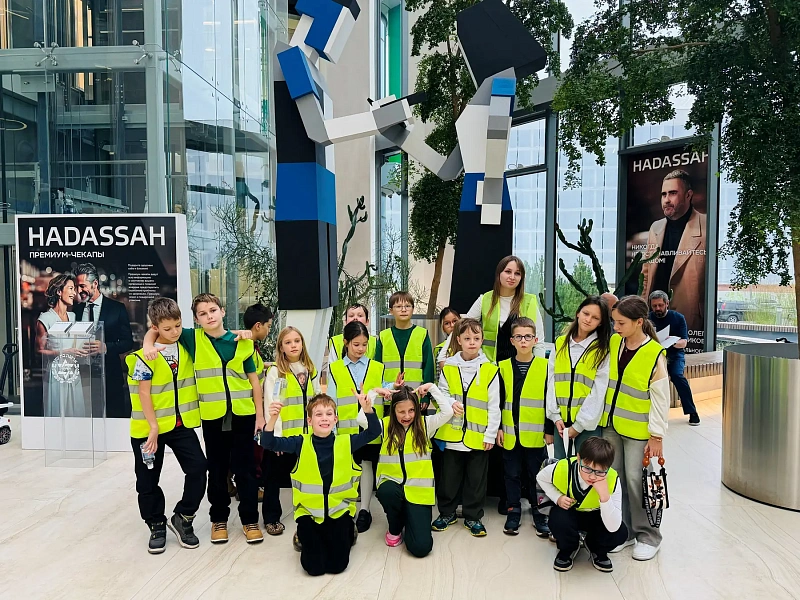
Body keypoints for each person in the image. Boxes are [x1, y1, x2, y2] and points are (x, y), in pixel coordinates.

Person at [143, 293, 265, 545]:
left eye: (212, 310)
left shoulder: (243, 342)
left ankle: (250, 520)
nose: (209, 316)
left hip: (244, 415)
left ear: (222, 311)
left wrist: (260, 416)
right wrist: (147, 345)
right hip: (212, 417)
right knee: (216, 470)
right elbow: (159, 328)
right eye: (202, 314)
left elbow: (254, 382)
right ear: (196, 320)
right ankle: (218, 519)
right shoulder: (193, 338)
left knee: (246, 470)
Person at [261, 393, 381, 576]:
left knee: (337, 566)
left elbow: (374, 432)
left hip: (339, 512)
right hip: (309, 514)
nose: (324, 418)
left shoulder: (347, 442)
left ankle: (349, 530)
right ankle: (303, 534)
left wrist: (367, 410)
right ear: (309, 420)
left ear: (335, 419)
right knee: (314, 568)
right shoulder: (300, 443)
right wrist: (273, 419)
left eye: (329, 414)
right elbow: (268, 443)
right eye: (318, 414)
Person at [126, 298, 207, 554]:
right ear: (155, 327)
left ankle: (183, 517)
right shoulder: (144, 356)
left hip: (180, 424)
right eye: (168, 328)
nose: (174, 332)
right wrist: (153, 428)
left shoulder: (186, 347)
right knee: (147, 480)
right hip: (148, 429)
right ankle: (156, 524)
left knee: (198, 468)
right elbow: (144, 393)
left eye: (178, 326)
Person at [600, 296, 670, 561]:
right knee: (615, 479)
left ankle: (649, 536)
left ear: (639, 322)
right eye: (614, 322)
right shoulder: (615, 342)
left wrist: (657, 436)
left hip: (639, 430)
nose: (615, 327)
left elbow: (661, 399)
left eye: (621, 323)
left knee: (637, 481)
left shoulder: (654, 354)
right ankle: (625, 532)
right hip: (612, 424)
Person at [432, 318, 500, 537]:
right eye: (467, 338)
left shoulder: (490, 369)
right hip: (452, 434)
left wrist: (490, 434)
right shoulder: (449, 366)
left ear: (482, 340)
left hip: (479, 436)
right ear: (458, 340)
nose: (472, 342)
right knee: (449, 478)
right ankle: (447, 513)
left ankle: (473, 517)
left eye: (476, 338)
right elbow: (441, 393)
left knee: (476, 480)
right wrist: (450, 402)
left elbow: (494, 405)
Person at [370, 384, 453, 557]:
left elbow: (447, 412)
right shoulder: (384, 425)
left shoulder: (425, 424)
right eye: (401, 411)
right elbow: (361, 420)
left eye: (411, 410)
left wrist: (432, 388)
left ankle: (410, 517)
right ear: (393, 411)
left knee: (421, 548)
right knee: (387, 491)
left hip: (418, 493)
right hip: (392, 486)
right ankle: (395, 527)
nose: (407, 416)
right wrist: (375, 392)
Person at [327, 320, 386, 533]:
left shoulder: (377, 367)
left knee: (368, 464)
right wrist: (331, 429)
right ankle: (347, 507)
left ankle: (365, 510)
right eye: (356, 344)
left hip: (369, 426)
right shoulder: (334, 369)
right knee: (348, 468)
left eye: (364, 344)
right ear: (345, 343)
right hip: (345, 427)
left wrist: (392, 387)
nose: (361, 349)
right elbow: (331, 400)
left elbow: (382, 389)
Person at [263, 326, 319, 544]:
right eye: (288, 342)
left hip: (306, 437)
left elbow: (316, 400)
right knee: (273, 479)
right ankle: (271, 518)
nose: (293, 345)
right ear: (281, 347)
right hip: (284, 437)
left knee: (306, 477)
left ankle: (309, 511)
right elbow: (271, 404)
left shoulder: (309, 368)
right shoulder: (275, 372)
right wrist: (275, 437)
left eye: (297, 341)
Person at [537, 436, 627, 573]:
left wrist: (604, 497)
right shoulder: (563, 467)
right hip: (570, 512)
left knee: (620, 533)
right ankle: (569, 548)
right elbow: (541, 477)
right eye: (587, 468)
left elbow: (613, 527)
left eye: (600, 471)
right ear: (579, 458)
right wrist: (557, 497)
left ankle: (596, 548)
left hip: (596, 516)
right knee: (558, 520)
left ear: (608, 467)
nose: (592, 476)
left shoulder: (612, 479)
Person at [497, 317, 551, 537]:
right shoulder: (502, 367)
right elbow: (498, 401)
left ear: (535, 340)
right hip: (510, 432)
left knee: (536, 474)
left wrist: (549, 430)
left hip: (536, 433)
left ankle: (540, 513)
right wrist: (498, 428)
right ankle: (513, 511)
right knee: (511, 474)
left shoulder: (545, 367)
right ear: (512, 340)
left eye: (528, 337)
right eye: (518, 337)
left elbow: (550, 401)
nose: (523, 341)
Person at [641, 170, 707, 336]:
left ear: (688, 195)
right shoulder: (656, 227)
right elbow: (646, 274)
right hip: (653, 319)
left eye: (673, 193)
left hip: (690, 319)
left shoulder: (707, 226)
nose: (667, 200)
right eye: (663, 194)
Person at [446, 256, 545, 364]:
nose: (512, 277)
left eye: (517, 273)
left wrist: (538, 368)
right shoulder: (484, 300)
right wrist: (444, 357)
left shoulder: (529, 302)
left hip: (521, 367)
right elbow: (461, 328)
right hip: (489, 367)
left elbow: (539, 342)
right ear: (499, 274)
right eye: (508, 271)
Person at [547, 296, 612, 459]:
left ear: (601, 323)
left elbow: (599, 391)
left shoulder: (602, 349)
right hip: (560, 423)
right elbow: (551, 381)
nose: (588, 319)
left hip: (587, 425)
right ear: (578, 313)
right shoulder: (560, 343)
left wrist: (579, 425)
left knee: (587, 469)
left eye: (595, 318)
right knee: (561, 469)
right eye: (586, 313)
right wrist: (555, 416)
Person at [73, 262, 134, 419]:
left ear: (95, 284)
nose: (79, 290)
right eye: (77, 286)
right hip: (82, 376)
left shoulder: (117, 308)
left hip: (110, 376)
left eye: (82, 286)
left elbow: (128, 342)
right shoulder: (76, 309)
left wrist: (106, 347)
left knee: (114, 417)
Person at [36, 273, 86, 417]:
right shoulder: (45, 319)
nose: (74, 293)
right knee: (58, 413)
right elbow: (39, 350)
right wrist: (64, 352)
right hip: (56, 374)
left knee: (76, 412)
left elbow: (77, 343)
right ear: (59, 291)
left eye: (74, 289)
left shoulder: (73, 317)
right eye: (70, 288)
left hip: (73, 372)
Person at [375, 291, 436, 411]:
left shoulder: (422, 334)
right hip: (390, 397)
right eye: (398, 306)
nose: (403, 310)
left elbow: (428, 367)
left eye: (407, 306)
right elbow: (377, 369)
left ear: (413, 309)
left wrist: (426, 396)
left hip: (416, 397)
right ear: (391, 310)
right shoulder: (383, 336)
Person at [649, 291, 700, 425]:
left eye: (660, 305)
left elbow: (684, 342)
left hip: (674, 354)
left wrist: (671, 342)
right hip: (655, 355)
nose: (657, 308)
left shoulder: (678, 318)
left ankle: (692, 411)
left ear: (667, 303)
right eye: (654, 306)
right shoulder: (648, 318)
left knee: (677, 376)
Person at [243, 303, 274, 508]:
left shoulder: (252, 347)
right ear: (257, 326)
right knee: (255, 451)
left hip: (253, 406)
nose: (269, 330)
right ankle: (253, 487)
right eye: (268, 326)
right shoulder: (246, 347)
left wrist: (268, 365)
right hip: (252, 407)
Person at [434, 307, 460, 375]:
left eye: (455, 321)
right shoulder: (440, 349)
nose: (452, 325)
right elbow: (440, 376)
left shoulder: (470, 344)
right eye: (447, 323)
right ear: (443, 328)